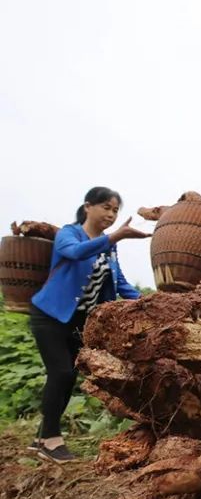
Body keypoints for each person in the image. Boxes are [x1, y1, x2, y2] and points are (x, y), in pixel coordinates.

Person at [29, 186, 149, 462]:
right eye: (106, 207)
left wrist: (148, 302)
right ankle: (50, 439)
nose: (111, 214)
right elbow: (74, 253)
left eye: (115, 210)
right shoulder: (68, 234)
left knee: (68, 376)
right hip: (50, 315)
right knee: (60, 373)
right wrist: (114, 237)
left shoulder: (110, 246)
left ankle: (41, 436)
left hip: (78, 322)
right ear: (88, 207)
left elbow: (118, 283)